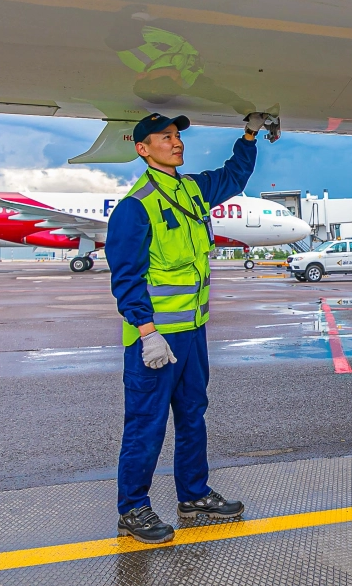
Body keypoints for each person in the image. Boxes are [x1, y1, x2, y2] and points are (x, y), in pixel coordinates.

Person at [106, 109, 279, 544]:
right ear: (142, 149)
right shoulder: (136, 206)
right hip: (155, 340)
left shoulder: (192, 190)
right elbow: (125, 278)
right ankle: (132, 508)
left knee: (192, 416)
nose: (175, 142)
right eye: (164, 138)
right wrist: (147, 333)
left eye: (177, 136)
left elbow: (234, 176)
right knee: (145, 424)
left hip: (193, 332)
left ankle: (193, 494)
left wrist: (250, 134)